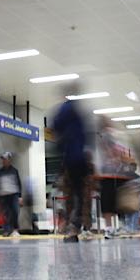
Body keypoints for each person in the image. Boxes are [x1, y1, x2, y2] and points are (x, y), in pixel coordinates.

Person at [51, 85, 89, 243]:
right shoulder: (80, 111)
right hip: (80, 158)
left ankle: (73, 226)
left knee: (72, 195)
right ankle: (78, 225)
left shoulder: (65, 109)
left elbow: (56, 126)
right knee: (80, 194)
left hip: (70, 158)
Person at [0, 151, 22, 237]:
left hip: (13, 194)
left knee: (15, 211)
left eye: (5, 159)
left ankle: (15, 229)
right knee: (6, 213)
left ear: (9, 160)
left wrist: (20, 196)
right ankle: (7, 229)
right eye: (3, 159)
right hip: (3, 195)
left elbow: (18, 183)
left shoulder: (14, 171)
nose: (4, 161)